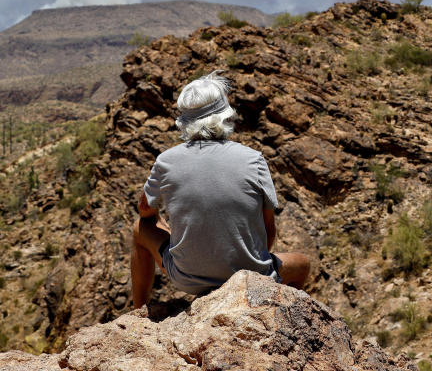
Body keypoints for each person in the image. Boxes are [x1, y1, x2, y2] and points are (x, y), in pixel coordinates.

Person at [131, 71, 310, 308]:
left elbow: (145, 211)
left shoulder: (166, 161)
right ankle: (275, 311)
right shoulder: (253, 159)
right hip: (249, 277)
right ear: (225, 114)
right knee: (303, 264)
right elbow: (269, 228)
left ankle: (139, 309)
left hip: (187, 278)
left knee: (139, 228)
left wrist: (157, 217)